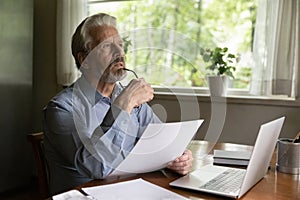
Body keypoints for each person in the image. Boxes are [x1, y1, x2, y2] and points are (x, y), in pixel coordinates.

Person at [43, 13, 193, 195]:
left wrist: (179, 158)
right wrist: (123, 105)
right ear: (84, 60)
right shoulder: (61, 109)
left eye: (120, 45)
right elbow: (97, 168)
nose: (119, 53)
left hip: (129, 191)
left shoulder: (127, 97)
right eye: (107, 46)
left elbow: (162, 143)